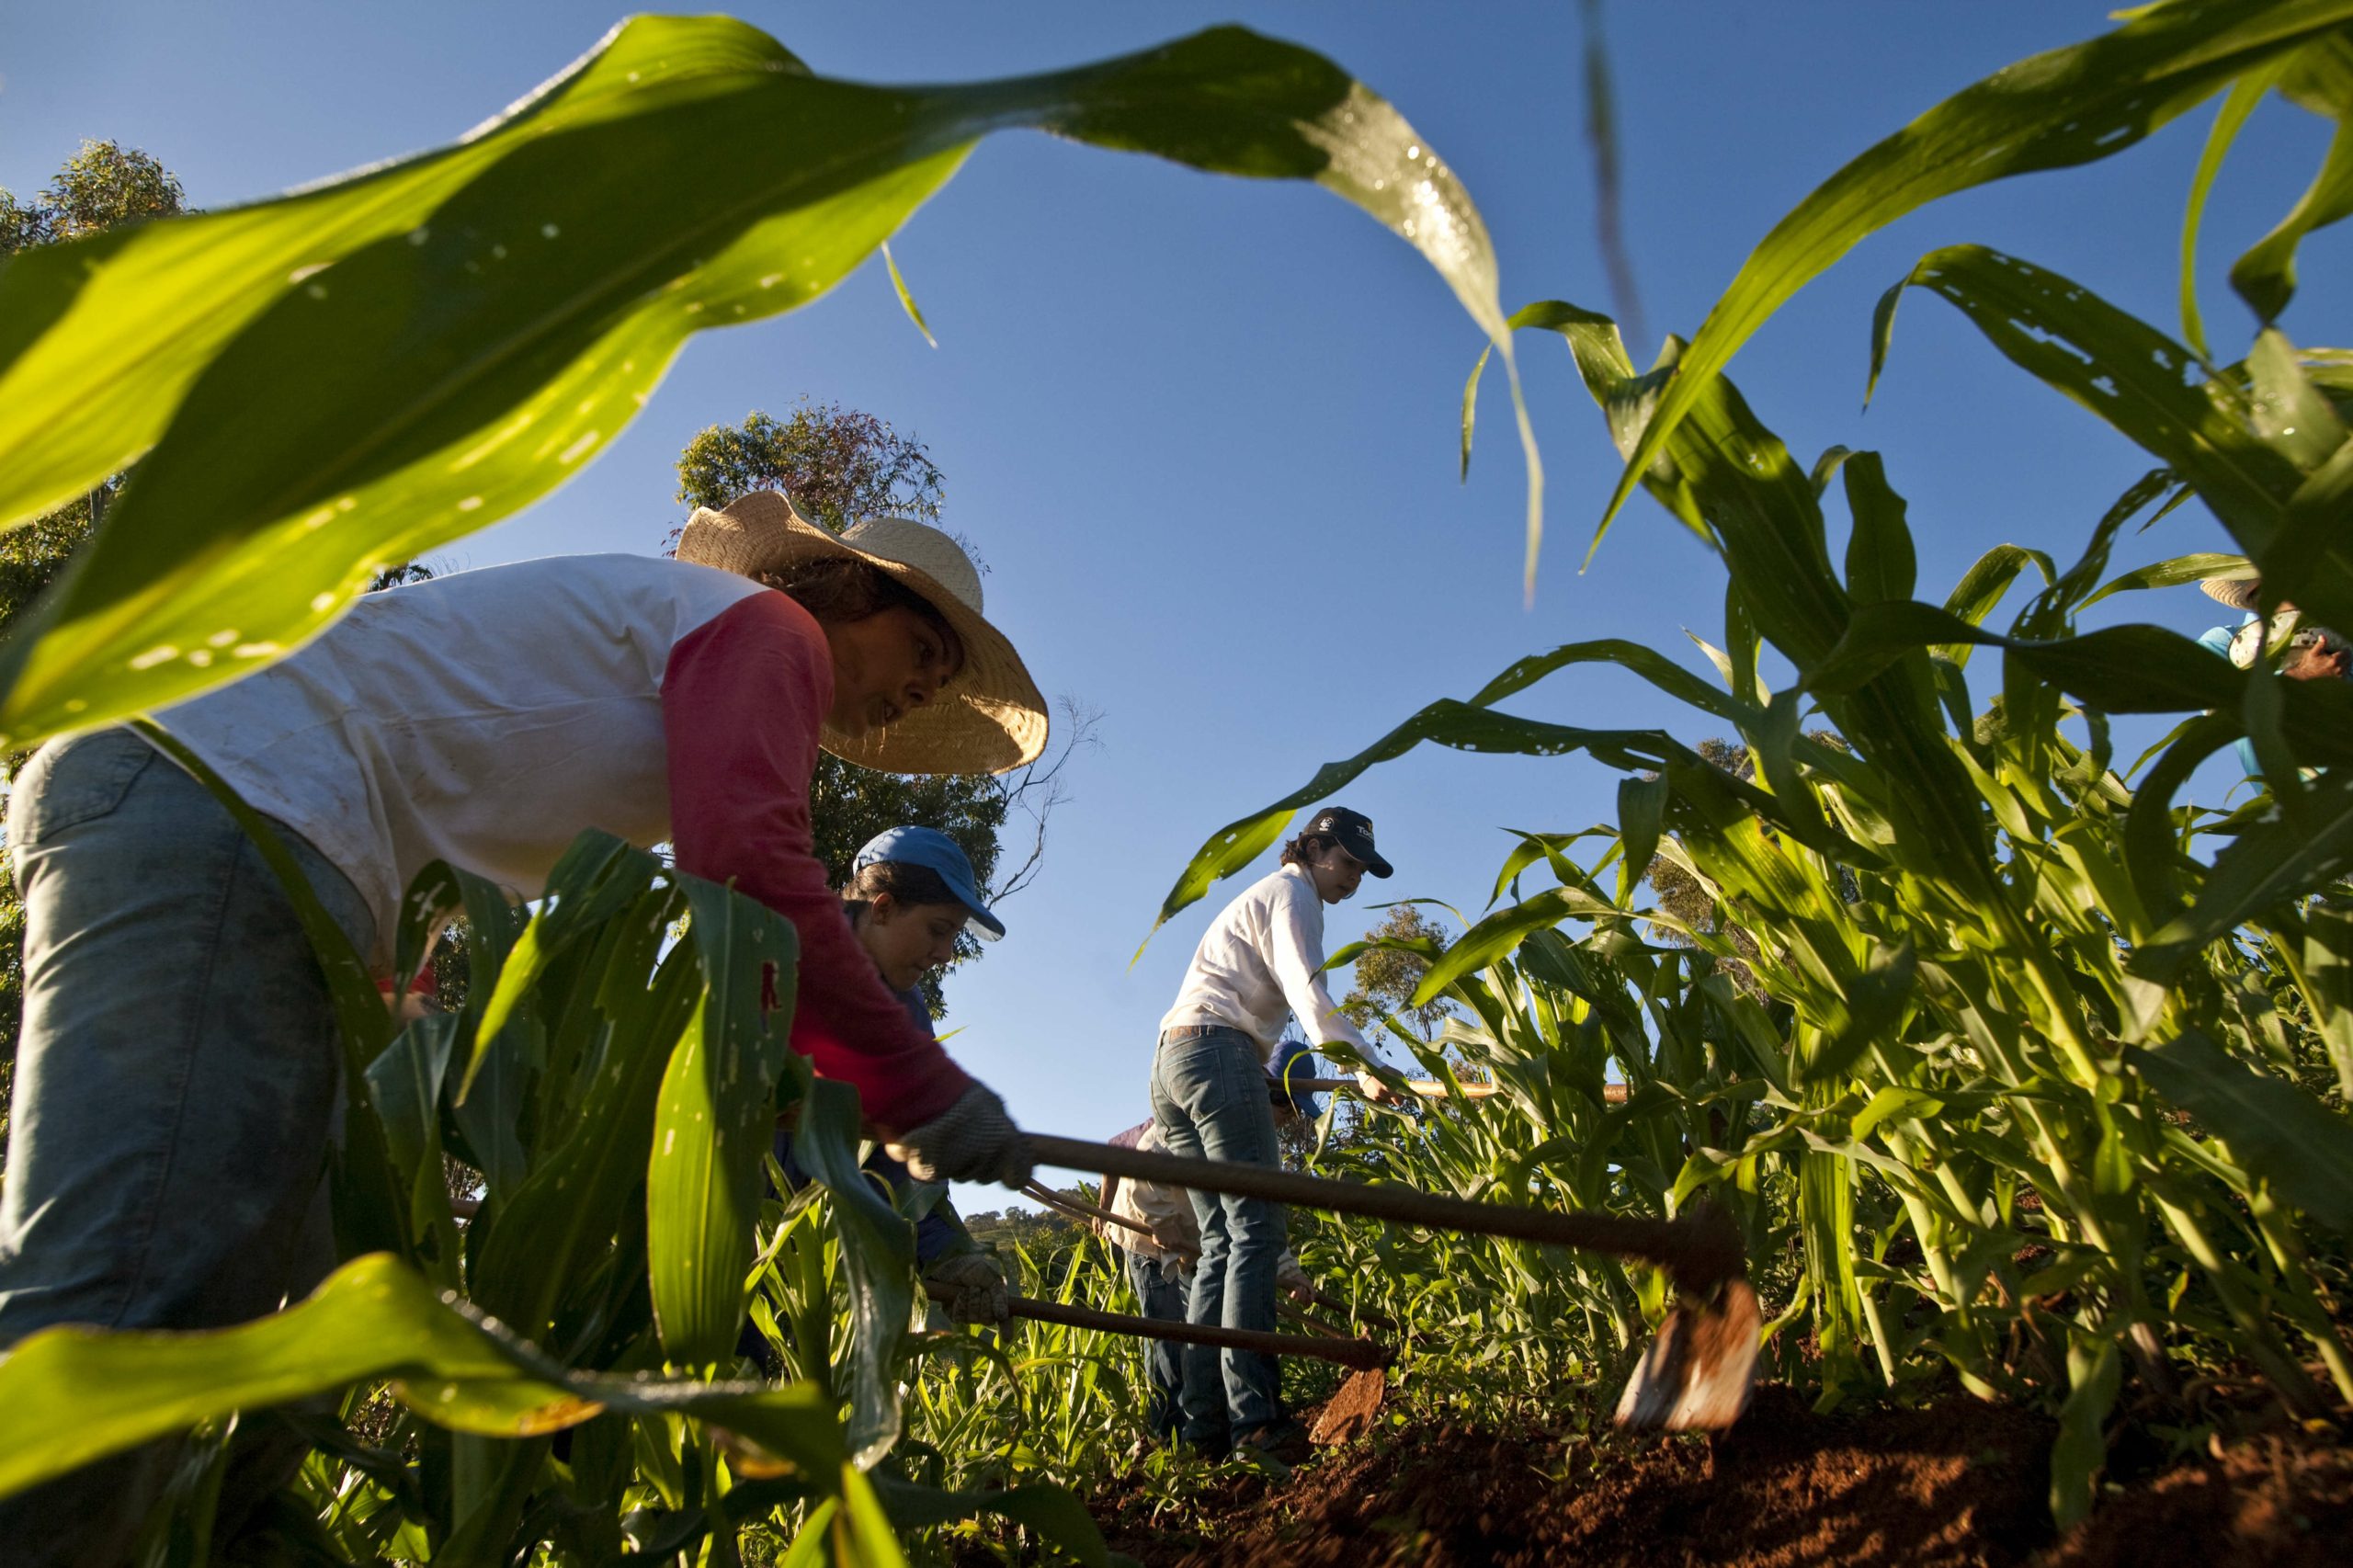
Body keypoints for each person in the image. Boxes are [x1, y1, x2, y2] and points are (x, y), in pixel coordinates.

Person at [0, 491, 1043, 1563]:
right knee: (135, 1292)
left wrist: (398, 1027)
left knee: (306, 1307)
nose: (924, 685)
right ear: (844, 593)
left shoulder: (698, 640)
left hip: (284, 853)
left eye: (943, 677)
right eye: (921, 647)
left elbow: (425, 791)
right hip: (218, 802)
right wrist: (918, 1089)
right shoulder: (763, 627)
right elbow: (747, 867)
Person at [1149, 805, 1394, 1460]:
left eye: (1363, 870)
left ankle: (1202, 1430)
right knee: (1254, 1230)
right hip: (1218, 1053)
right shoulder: (1293, 894)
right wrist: (1364, 1064)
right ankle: (1256, 1420)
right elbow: (1309, 993)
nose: (1353, 879)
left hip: (1173, 1061)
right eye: (1345, 862)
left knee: (1222, 1243)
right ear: (1312, 850)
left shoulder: (1264, 896)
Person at [767, 826, 1012, 1329]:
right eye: (938, 929)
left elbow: (900, 1165)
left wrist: (949, 1253)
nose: (946, 953)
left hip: (802, 1265)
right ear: (881, 908)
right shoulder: (773, 953)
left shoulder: (905, 1016)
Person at [1099, 1043, 1320, 1450]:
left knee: (1203, 1326)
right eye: (1287, 1108)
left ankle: (1203, 1428)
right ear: (1266, 1092)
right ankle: (1168, 1439)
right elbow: (1146, 1162)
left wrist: (1289, 1273)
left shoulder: (1256, 1142)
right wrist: (1162, 1225)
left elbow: (1258, 1224)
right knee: (1167, 1338)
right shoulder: (1213, 1112)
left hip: (1197, 1246)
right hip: (1148, 1234)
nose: (1288, 1120)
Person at [2195, 574, 2351, 780]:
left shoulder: (2342, 639)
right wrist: (2298, 677)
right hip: (2307, 798)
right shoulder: (2225, 641)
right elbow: (2218, 703)